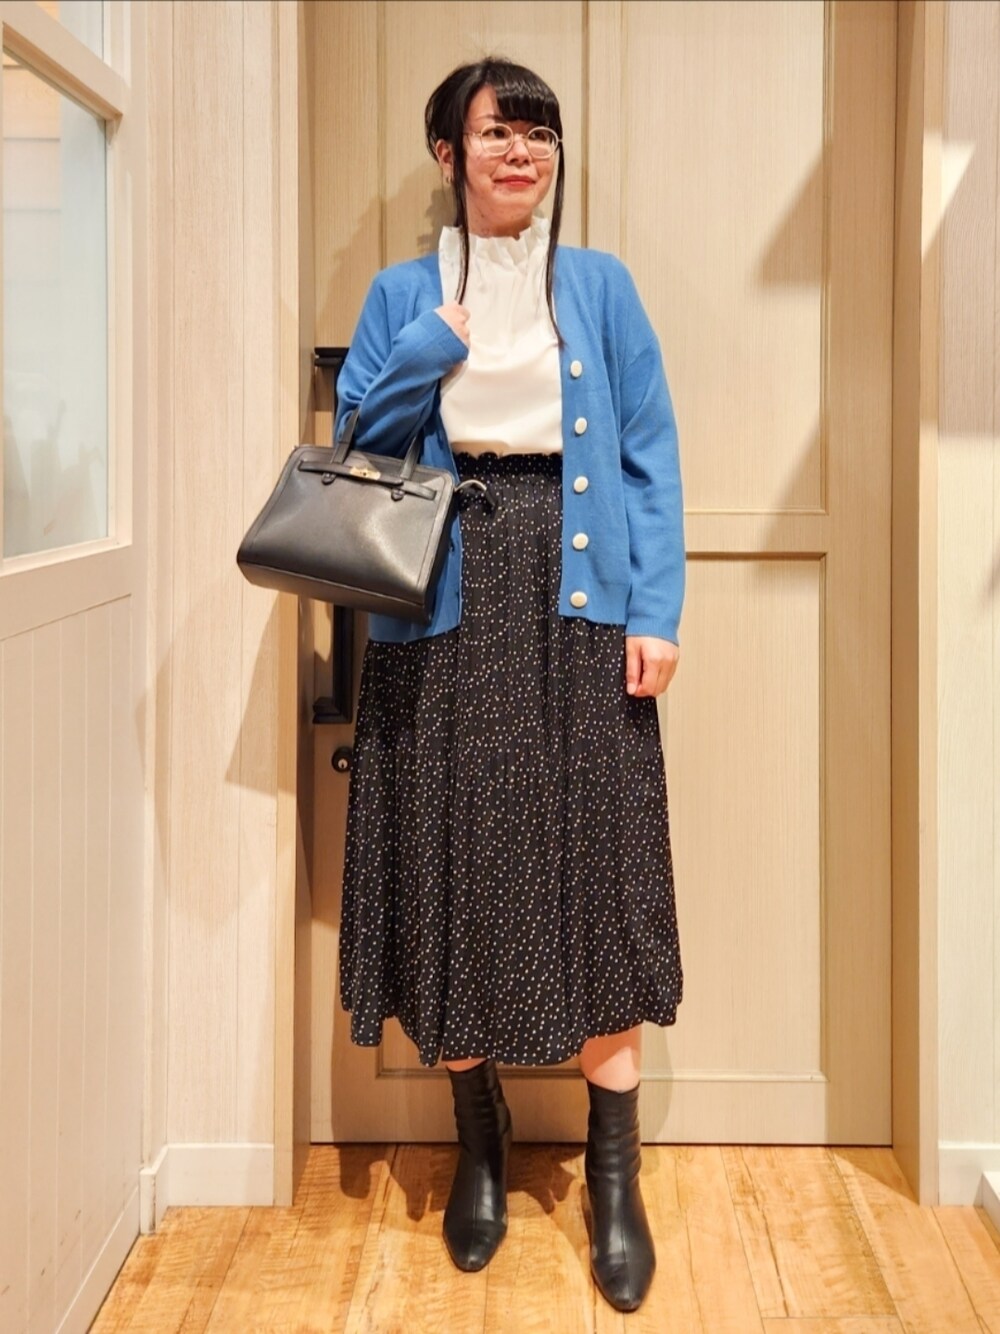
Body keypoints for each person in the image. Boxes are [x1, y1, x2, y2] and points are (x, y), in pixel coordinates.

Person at [334, 56, 685, 1315]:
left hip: (578, 594)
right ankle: (478, 1144)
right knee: (458, 860)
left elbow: (648, 455)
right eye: (498, 132)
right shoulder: (402, 292)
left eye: (539, 132)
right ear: (449, 153)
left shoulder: (600, 286)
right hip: (444, 598)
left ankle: (613, 1178)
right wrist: (434, 341)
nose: (522, 151)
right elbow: (359, 440)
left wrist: (656, 610)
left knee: (598, 861)